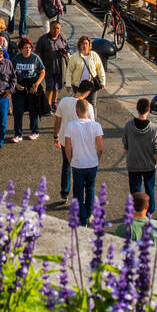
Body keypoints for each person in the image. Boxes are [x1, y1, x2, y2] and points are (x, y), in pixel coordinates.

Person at [63, 96, 104, 227]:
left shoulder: (71, 126)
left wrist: (70, 160)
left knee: (78, 192)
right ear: (88, 110)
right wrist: (97, 157)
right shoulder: (96, 126)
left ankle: (83, 219)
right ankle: (89, 213)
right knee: (90, 190)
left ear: (77, 110)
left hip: (78, 163)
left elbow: (68, 146)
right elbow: (100, 147)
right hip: (92, 163)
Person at [121, 97, 157, 213]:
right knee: (150, 189)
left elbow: (125, 146)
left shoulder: (129, 126)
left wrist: (128, 154)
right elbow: (156, 149)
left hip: (133, 163)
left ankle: (136, 211)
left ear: (137, 108)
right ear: (149, 110)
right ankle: (149, 212)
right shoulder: (153, 128)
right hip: (149, 165)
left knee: (135, 190)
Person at [53, 81, 94, 203]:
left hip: (65, 141)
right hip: (80, 143)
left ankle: (64, 193)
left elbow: (58, 121)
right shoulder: (88, 107)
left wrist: (55, 136)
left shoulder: (64, 101)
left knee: (66, 166)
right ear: (87, 92)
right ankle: (77, 196)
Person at [11, 36, 45, 141]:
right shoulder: (16, 58)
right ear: (21, 48)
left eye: (29, 47)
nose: (28, 49)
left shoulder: (35, 58)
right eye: (25, 47)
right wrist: (16, 84)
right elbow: (10, 72)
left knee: (33, 110)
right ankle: (18, 134)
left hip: (32, 86)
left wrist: (37, 85)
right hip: (20, 86)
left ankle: (35, 131)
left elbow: (42, 71)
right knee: (18, 111)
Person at [64, 34, 107, 115]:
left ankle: (93, 122)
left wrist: (103, 81)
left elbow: (100, 69)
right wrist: (68, 84)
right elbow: (69, 71)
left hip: (91, 86)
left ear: (89, 45)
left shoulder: (94, 55)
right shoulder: (74, 57)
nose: (85, 46)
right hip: (78, 86)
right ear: (79, 45)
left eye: (86, 43)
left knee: (92, 104)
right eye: (83, 43)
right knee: (79, 104)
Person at [35, 19, 70, 112]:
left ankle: (54, 103)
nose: (56, 30)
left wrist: (65, 53)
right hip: (47, 68)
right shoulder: (43, 39)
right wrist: (39, 67)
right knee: (50, 87)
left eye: (58, 28)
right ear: (50, 28)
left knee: (57, 87)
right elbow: (37, 54)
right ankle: (47, 105)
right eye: (54, 28)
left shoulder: (63, 38)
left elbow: (68, 50)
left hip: (60, 68)